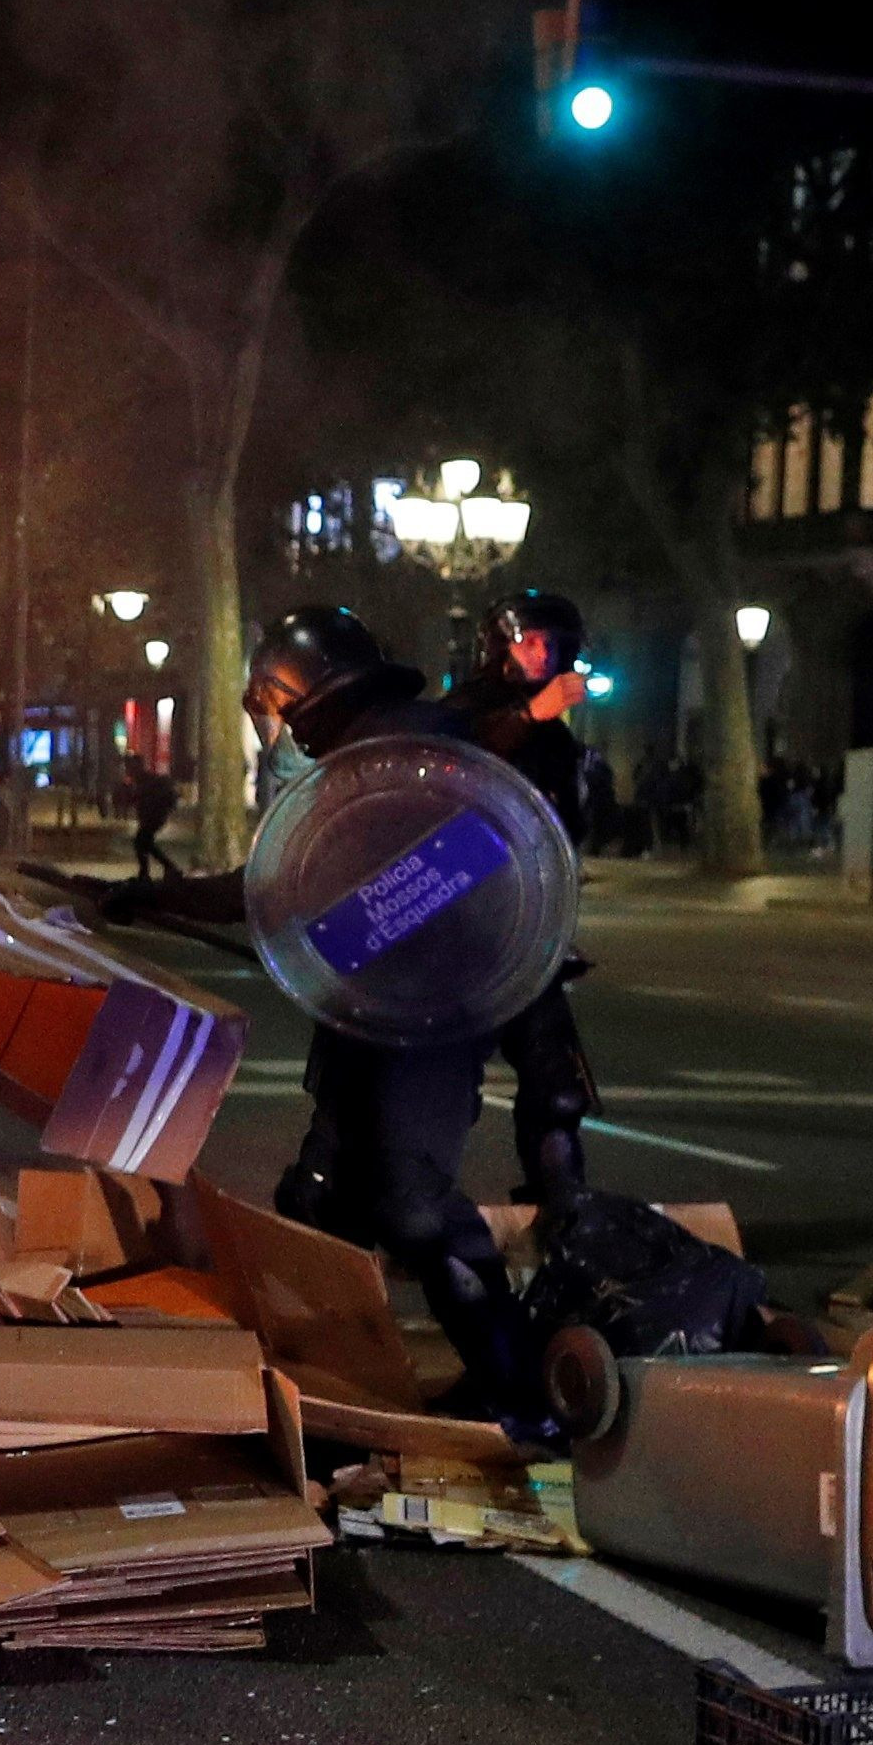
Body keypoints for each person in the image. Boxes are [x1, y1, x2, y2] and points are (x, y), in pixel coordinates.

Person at [241, 608, 542, 1421]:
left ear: (298, 695)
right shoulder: (364, 760)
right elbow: (303, 891)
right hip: (370, 1018)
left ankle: (517, 1387)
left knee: (410, 1204)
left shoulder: (408, 756)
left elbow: (468, 866)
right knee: (320, 1198)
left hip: (428, 1021)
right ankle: (340, 1389)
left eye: (274, 705)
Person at [444, 588, 602, 1216]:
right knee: (434, 1087)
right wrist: (529, 716)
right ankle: (403, 1206)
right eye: (527, 639)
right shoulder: (465, 711)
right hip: (458, 930)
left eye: (552, 643)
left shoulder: (559, 740)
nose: (541, 652)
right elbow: (451, 765)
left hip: (529, 928)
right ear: (501, 646)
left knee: (556, 1088)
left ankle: (565, 1211)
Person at [128, 760, 180, 884]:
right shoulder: (144, 780)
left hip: (153, 817)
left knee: (141, 842)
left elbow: (144, 799)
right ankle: (165, 868)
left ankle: (153, 871)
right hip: (153, 817)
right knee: (145, 843)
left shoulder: (146, 781)